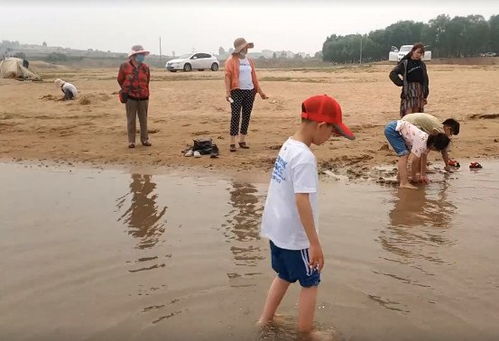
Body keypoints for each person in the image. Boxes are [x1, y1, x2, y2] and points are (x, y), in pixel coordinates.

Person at [258, 95, 355, 337]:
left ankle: (265, 319)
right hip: (296, 236)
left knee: (283, 275)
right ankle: (306, 332)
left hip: (277, 230)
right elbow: (302, 200)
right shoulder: (305, 158)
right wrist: (313, 243)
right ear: (321, 126)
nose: (331, 138)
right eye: (332, 133)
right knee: (310, 282)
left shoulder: (289, 145)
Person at [224, 37, 268, 152]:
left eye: (247, 47)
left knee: (246, 115)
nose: (246, 49)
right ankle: (232, 142)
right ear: (240, 48)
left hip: (250, 91)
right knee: (235, 115)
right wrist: (228, 92)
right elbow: (227, 76)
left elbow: (254, 78)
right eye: (244, 47)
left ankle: (242, 140)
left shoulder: (249, 61)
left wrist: (260, 91)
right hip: (236, 91)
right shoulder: (231, 60)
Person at [384, 120, 450, 189]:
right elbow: (414, 162)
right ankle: (404, 183)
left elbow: (424, 157)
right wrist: (414, 177)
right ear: (433, 145)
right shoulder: (422, 142)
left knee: (406, 153)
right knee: (404, 155)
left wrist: (423, 175)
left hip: (398, 129)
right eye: (436, 149)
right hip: (393, 130)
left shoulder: (427, 141)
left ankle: (400, 177)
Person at [117, 45, 151, 149]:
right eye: (140, 54)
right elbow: (120, 79)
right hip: (130, 97)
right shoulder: (124, 66)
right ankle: (131, 141)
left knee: (143, 119)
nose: (142, 56)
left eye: (143, 54)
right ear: (133, 56)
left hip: (144, 96)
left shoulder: (145, 67)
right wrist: (127, 89)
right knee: (131, 119)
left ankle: (144, 139)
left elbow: (147, 81)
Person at [389, 43, 429, 117]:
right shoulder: (405, 63)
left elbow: (425, 80)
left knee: (417, 116)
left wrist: (425, 94)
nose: (419, 55)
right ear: (413, 51)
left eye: (421, 53)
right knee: (408, 115)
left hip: (419, 93)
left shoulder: (422, 64)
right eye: (418, 52)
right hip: (408, 92)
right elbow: (392, 74)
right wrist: (401, 83)